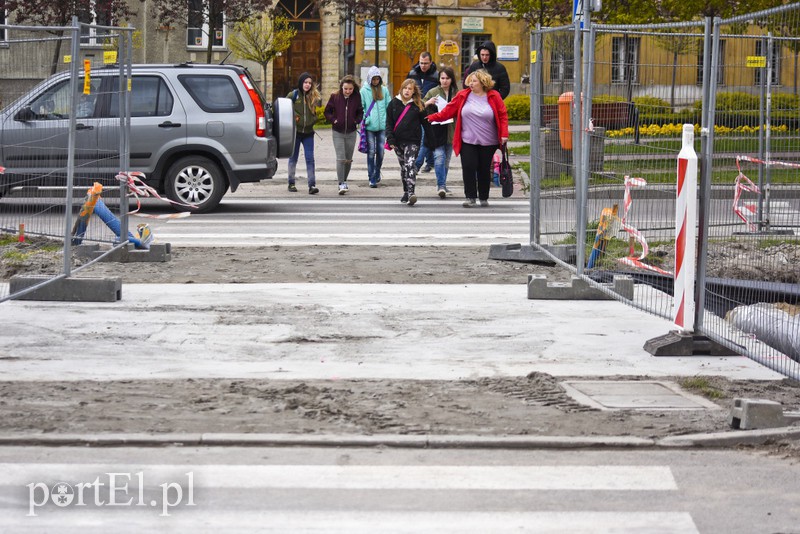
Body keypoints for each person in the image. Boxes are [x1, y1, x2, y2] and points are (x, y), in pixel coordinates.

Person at [426, 69, 508, 208]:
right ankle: (470, 196)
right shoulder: (463, 95)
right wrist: (432, 117)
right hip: (467, 140)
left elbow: (502, 115)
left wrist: (504, 134)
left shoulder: (494, 96)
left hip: (488, 141)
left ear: (483, 82)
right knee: (469, 167)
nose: (470, 83)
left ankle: (483, 197)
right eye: (469, 80)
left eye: (474, 81)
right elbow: (448, 110)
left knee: (483, 169)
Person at [386, 79, 430, 207]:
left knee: (410, 164)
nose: (407, 91)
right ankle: (406, 190)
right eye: (405, 88)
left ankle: (411, 193)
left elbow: (426, 124)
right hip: (398, 142)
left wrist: (431, 141)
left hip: (413, 141)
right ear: (401, 89)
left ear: (413, 91)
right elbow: (389, 123)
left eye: (410, 89)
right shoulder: (393, 103)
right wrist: (390, 139)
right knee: (404, 167)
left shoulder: (418, 105)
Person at [324, 75, 364, 195]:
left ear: (353, 88)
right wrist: (334, 120)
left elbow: (360, 112)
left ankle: (344, 180)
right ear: (342, 87)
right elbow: (327, 111)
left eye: (350, 89)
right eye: (345, 88)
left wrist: (356, 121)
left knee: (348, 159)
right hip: (338, 132)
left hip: (351, 132)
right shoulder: (335, 97)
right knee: (341, 158)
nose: (348, 91)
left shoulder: (357, 97)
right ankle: (341, 183)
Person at [422, 66, 458, 199]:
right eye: (442, 78)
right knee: (439, 157)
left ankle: (442, 184)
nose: (444, 81)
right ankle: (441, 185)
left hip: (451, 130)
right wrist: (428, 103)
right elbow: (420, 106)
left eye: (447, 78)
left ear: (451, 79)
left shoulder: (456, 93)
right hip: (437, 130)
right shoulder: (433, 92)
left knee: (446, 160)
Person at [286, 72, 321, 195]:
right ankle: (291, 182)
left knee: (310, 158)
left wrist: (314, 119)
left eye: (310, 83)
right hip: (295, 133)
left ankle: (312, 185)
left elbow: (315, 112)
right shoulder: (293, 95)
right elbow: (285, 110)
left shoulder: (313, 96)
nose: (307, 85)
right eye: (305, 82)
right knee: (293, 158)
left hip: (308, 133)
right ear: (301, 83)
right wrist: (294, 116)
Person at [359, 66, 390, 188]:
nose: (375, 81)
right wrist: (365, 119)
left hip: (382, 126)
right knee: (371, 152)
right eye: (374, 79)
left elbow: (389, 105)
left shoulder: (384, 90)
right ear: (370, 79)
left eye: (377, 79)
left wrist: (388, 121)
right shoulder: (364, 91)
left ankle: (377, 172)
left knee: (381, 152)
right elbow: (361, 107)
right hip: (370, 127)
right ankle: (371, 177)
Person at [407, 52, 438, 174]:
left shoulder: (437, 75)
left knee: (426, 136)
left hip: (430, 111)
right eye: (421, 63)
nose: (423, 66)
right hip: (416, 109)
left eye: (425, 63)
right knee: (422, 137)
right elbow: (406, 88)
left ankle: (422, 164)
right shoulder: (412, 74)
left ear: (430, 62)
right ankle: (428, 163)